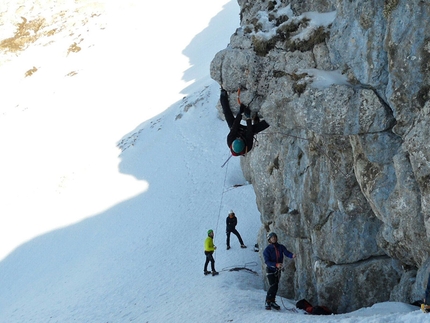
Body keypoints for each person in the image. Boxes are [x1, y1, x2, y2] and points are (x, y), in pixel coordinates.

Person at [220, 88, 270, 156]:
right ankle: (272, 117)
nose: (239, 138)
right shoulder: (248, 147)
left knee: (227, 113)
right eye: (240, 139)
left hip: (236, 130)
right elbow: (249, 133)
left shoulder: (230, 140)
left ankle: (223, 95)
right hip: (246, 133)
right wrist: (248, 118)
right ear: (243, 145)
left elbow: (235, 127)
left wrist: (240, 113)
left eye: (238, 138)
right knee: (264, 125)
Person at [263, 232, 296, 310]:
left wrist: (292, 255)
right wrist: (276, 264)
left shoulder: (280, 247)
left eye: (274, 237)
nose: (274, 238)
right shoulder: (267, 250)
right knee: (272, 286)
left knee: (276, 286)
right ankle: (268, 301)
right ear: (269, 240)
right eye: (272, 238)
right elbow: (267, 261)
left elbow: (286, 252)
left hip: (278, 270)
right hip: (271, 269)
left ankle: (272, 301)